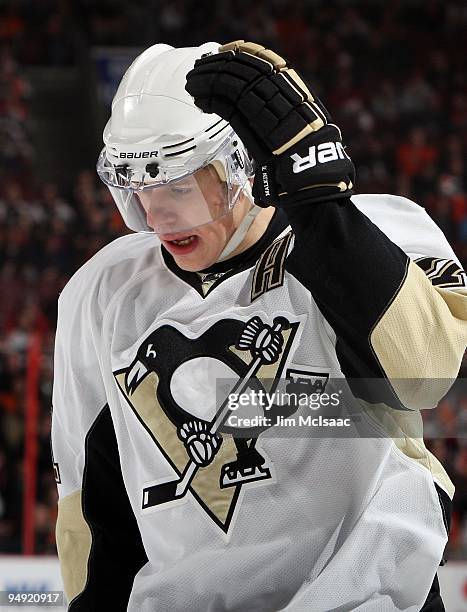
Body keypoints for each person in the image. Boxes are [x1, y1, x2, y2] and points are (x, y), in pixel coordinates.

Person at [51, 40, 467, 611]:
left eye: (178, 186)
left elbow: (425, 379)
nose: (157, 215)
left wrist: (322, 207)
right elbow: (90, 494)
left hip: (363, 595)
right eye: (138, 188)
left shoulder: (378, 231)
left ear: (242, 169)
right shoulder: (105, 290)